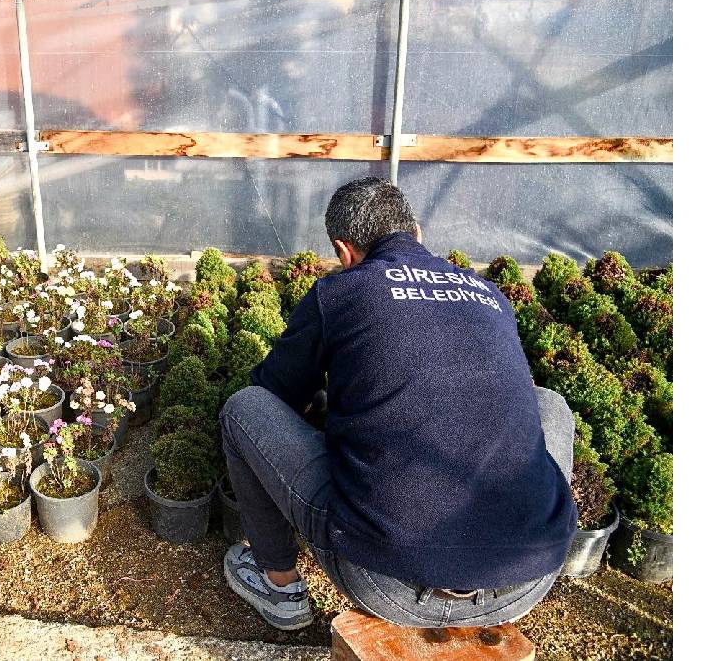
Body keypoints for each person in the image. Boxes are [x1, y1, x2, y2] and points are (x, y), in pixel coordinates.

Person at [220, 177, 577, 630]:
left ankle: (279, 585)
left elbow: (276, 391)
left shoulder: (341, 293)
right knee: (550, 403)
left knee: (245, 409)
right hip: (527, 579)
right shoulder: (489, 294)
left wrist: (322, 400)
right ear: (417, 232)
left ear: (344, 251)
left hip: (386, 582)